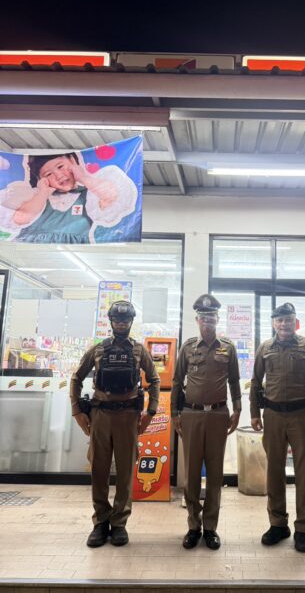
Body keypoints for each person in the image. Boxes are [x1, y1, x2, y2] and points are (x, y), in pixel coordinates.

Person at [70, 300, 160, 547]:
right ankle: (100, 521)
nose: (121, 324)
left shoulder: (139, 350)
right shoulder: (98, 349)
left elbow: (154, 379)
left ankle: (119, 523)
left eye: (126, 320)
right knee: (99, 470)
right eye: (117, 320)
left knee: (125, 471)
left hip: (128, 417)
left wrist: (150, 412)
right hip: (100, 416)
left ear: (131, 322)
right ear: (111, 321)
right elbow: (76, 378)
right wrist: (77, 411)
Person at [250, 302, 305, 553]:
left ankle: (302, 529)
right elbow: (255, 382)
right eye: (280, 320)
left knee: (304, 473)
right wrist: (254, 413)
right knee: (274, 471)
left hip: (301, 415)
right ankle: (277, 524)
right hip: (272, 415)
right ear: (274, 323)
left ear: (295, 322)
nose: (284, 324)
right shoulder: (265, 348)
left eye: (288, 320)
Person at [171, 294, 241, 551]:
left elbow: (234, 381)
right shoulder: (188, 347)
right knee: (191, 474)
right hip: (191, 415)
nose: (207, 321)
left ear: (217, 319)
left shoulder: (228, 348)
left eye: (211, 317)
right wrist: (174, 412)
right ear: (197, 320)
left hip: (219, 416)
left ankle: (210, 527)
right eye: (203, 317)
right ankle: (193, 526)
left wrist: (238, 409)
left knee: (215, 474)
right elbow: (177, 381)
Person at [0, 151, 137, 243]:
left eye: (60, 166)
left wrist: (83, 177)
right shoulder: (33, 197)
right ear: (40, 179)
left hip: (77, 256)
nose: (59, 175)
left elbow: (111, 195)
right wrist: (42, 193)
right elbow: (20, 219)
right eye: (48, 174)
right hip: (30, 255)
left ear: (72, 161)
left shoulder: (91, 195)